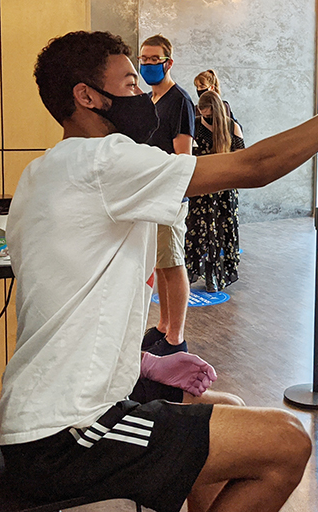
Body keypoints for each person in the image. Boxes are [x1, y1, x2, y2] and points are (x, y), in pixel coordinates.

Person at [0, 30, 318, 512]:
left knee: (228, 408)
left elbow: (72, 300)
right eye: (130, 83)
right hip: (67, 433)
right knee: (287, 441)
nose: (142, 93)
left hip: (46, 412)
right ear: (86, 97)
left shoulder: (43, 170)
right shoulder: (102, 160)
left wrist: (146, 363)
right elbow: (255, 165)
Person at [138, 34, 197, 365]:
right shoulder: (150, 100)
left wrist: (172, 195)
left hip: (170, 197)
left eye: (153, 59)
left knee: (173, 264)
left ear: (168, 62)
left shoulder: (180, 101)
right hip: (151, 196)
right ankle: (162, 325)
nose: (147, 65)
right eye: (143, 59)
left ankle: (176, 336)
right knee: (161, 262)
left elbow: (183, 156)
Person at [185, 91, 244, 292]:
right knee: (197, 231)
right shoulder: (195, 124)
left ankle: (214, 274)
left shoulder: (231, 126)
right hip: (201, 189)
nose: (202, 114)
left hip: (224, 190)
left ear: (214, 109)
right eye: (200, 110)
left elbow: (241, 156)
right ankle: (193, 271)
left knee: (221, 232)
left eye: (206, 110)